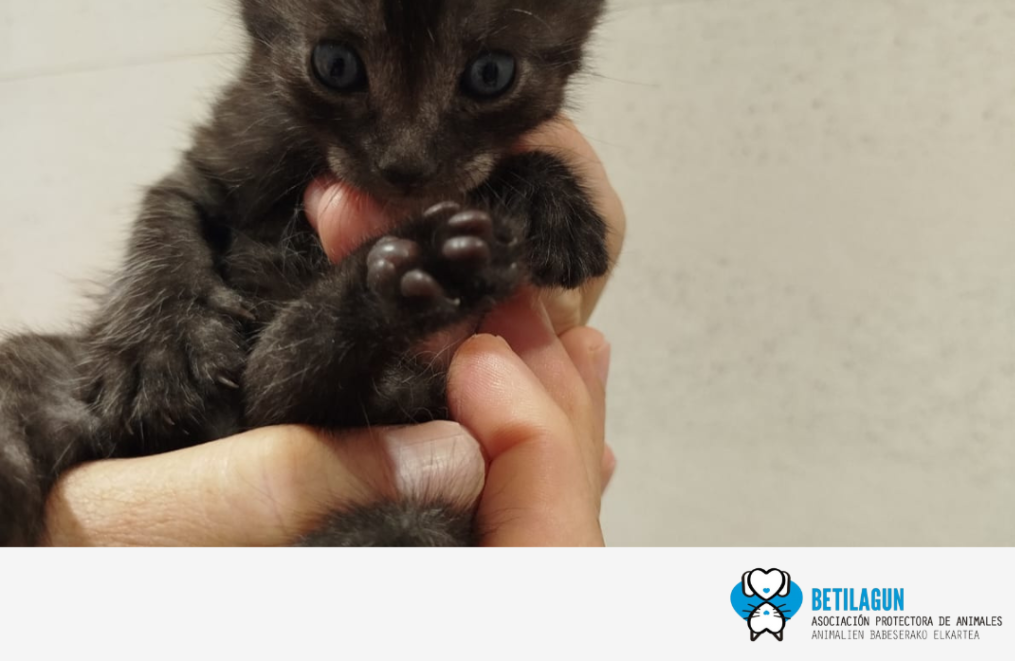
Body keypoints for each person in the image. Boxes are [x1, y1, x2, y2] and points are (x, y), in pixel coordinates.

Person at [41, 119, 624, 547]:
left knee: (412, 532)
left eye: (488, 75)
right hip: (264, 391)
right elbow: (191, 193)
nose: (405, 156)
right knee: (23, 383)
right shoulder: (252, 137)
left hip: (373, 431)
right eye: (339, 66)